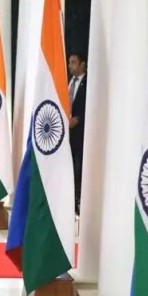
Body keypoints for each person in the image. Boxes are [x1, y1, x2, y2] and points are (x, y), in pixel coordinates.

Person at [67, 53, 88, 212]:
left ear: (82, 64)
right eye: (69, 62)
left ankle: (80, 200)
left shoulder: (88, 83)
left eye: (74, 62)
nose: (70, 66)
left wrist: (79, 118)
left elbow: (90, 105)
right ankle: (70, 200)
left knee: (79, 167)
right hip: (68, 134)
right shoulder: (69, 82)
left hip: (81, 134)